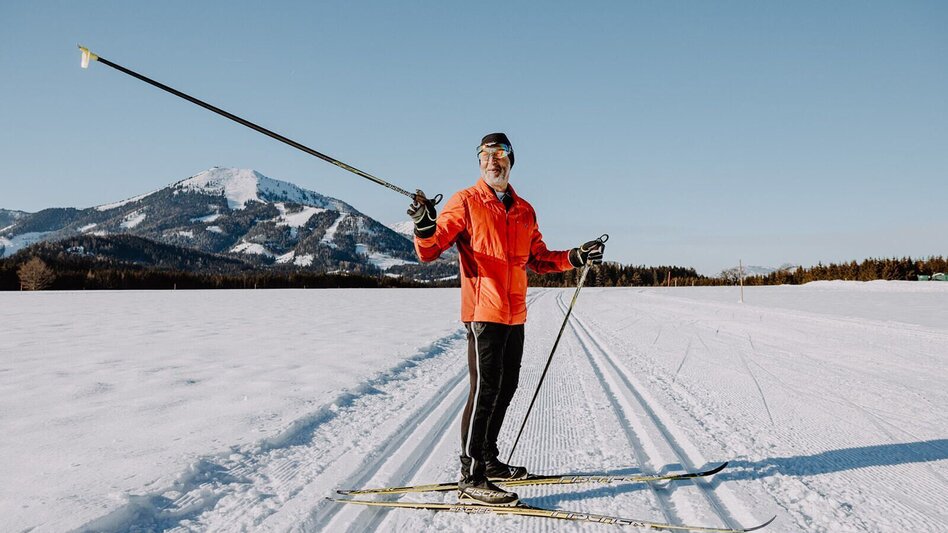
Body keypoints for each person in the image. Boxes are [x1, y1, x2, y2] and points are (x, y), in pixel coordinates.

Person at [408, 132, 605, 506]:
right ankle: (471, 474)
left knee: (507, 385)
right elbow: (430, 250)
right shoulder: (465, 202)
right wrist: (423, 223)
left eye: (501, 154)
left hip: (515, 313)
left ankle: (489, 459)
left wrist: (576, 256)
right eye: (486, 154)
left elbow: (539, 258)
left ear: (511, 161)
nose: (493, 160)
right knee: (484, 390)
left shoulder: (524, 210)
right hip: (483, 312)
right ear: (479, 162)